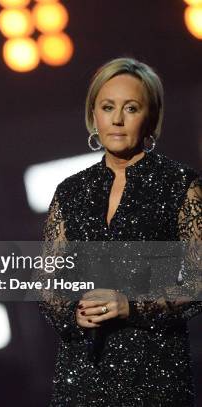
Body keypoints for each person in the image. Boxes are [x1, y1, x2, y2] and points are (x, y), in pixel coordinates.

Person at [40, 57, 201, 405]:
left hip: (156, 373)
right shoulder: (70, 191)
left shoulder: (180, 185)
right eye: (107, 107)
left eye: (130, 108)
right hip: (82, 373)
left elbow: (197, 281)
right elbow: (49, 287)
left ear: (150, 117)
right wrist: (74, 313)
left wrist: (131, 306)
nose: (116, 119)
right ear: (92, 115)